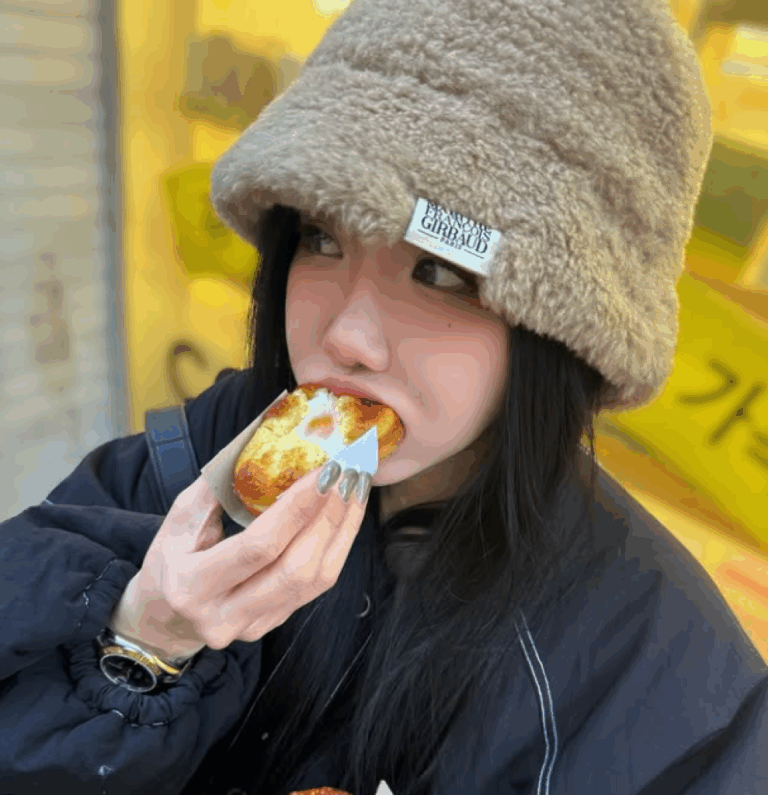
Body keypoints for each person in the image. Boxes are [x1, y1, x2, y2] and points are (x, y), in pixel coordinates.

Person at [2, 0, 767, 794]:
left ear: (562, 328)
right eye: (321, 238)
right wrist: (143, 640)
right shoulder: (190, 466)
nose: (348, 337)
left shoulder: (668, 688)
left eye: (440, 273)